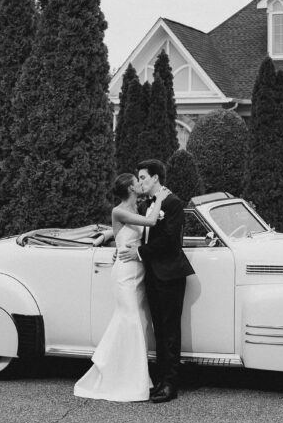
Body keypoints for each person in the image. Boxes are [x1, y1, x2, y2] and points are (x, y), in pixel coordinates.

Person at [73, 173, 169, 402]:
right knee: (130, 320)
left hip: (139, 272)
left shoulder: (139, 207)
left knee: (139, 322)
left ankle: (129, 374)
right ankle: (127, 379)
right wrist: (161, 200)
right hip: (125, 273)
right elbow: (151, 222)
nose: (140, 183)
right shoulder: (119, 211)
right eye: (137, 181)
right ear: (130, 188)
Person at [118, 158, 194, 403]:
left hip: (170, 273)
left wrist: (139, 253)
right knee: (159, 330)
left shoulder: (172, 203)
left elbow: (170, 240)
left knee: (170, 330)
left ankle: (171, 384)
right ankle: (160, 380)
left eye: (142, 177)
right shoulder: (148, 205)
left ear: (155, 179)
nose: (140, 182)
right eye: (138, 178)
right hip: (152, 274)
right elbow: (145, 234)